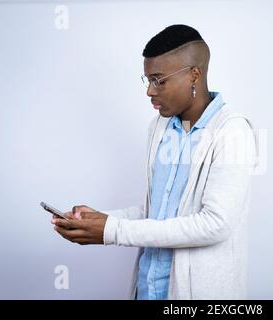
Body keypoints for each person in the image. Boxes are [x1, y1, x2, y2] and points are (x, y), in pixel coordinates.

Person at [52, 24, 257, 300]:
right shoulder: (160, 128)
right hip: (148, 290)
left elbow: (215, 224)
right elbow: (157, 213)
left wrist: (113, 230)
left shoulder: (232, 132)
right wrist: (101, 219)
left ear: (194, 75)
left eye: (159, 80)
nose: (150, 91)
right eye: (147, 79)